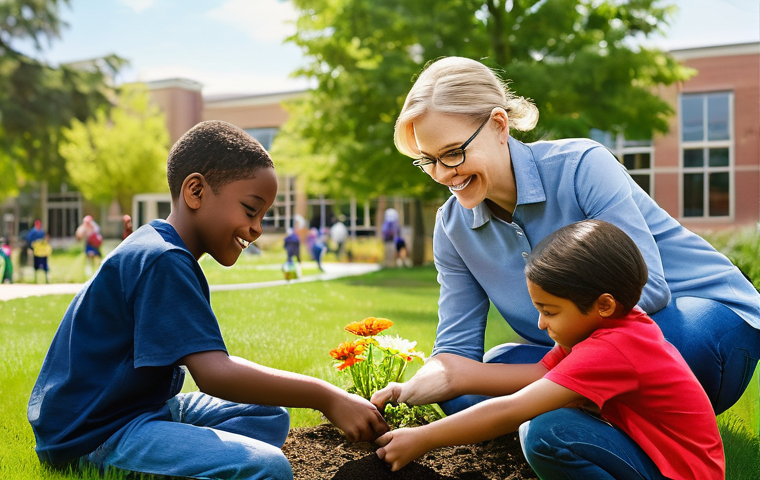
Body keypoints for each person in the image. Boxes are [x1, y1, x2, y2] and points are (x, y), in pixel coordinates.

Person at [374, 56, 759, 420]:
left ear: (498, 125)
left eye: (453, 153)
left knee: (675, 343)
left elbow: (647, 292)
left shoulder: (581, 167)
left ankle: (563, 403)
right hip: (583, 353)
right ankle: (582, 413)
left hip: (695, 325)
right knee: (464, 391)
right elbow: (457, 350)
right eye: (428, 161)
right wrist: (435, 377)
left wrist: (538, 374)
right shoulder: (452, 227)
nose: (444, 174)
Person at [27, 120, 388, 480]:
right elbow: (214, 374)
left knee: (268, 414)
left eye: (263, 216)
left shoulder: (161, 246)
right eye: (250, 210)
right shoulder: (162, 259)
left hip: (139, 408)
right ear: (195, 191)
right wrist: (325, 395)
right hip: (95, 434)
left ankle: (183, 460)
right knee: (268, 467)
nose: (257, 228)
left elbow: (213, 363)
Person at [374, 220, 725, 479]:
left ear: (603, 304)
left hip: (680, 473)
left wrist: (422, 438)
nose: (541, 325)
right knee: (546, 420)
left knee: (548, 431)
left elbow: (512, 410)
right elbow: (541, 376)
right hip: (659, 460)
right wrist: (433, 384)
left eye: (550, 311)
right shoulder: (613, 325)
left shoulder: (616, 347)